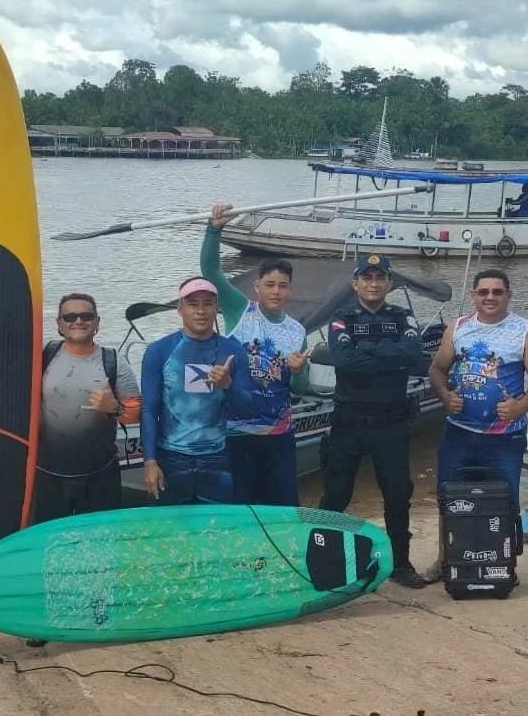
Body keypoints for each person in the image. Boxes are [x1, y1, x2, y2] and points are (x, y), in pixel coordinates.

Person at [317, 255, 427, 589]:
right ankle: (322, 565)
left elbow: (412, 354)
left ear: (389, 283)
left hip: (391, 423)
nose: (374, 283)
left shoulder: (402, 316)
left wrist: (367, 348)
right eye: (367, 277)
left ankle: (402, 564)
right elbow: (343, 359)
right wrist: (386, 354)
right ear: (355, 284)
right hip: (349, 421)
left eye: (380, 278)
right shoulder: (341, 317)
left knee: (397, 494)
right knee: (336, 495)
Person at [201, 205, 309, 506]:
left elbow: (300, 389)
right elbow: (210, 271)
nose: (276, 291)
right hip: (237, 434)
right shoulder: (240, 311)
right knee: (242, 507)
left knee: (284, 508)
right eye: (269, 285)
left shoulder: (297, 331)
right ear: (256, 286)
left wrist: (299, 371)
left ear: (290, 290)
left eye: (282, 286)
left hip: (279, 435)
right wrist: (214, 229)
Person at [141, 277, 253, 504]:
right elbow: (149, 410)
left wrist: (227, 385)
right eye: (193, 304)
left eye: (208, 303)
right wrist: (150, 460)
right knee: (171, 530)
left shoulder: (233, 351)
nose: (201, 311)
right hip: (172, 457)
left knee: (216, 528)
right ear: (180, 308)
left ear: (216, 308)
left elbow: (247, 410)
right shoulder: (159, 351)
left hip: (217, 456)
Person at [32, 293, 141, 523]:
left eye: (86, 316)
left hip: (99, 475)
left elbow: (134, 415)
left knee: (99, 544)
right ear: (60, 324)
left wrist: (114, 409)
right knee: (50, 544)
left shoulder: (114, 362)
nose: (78, 321)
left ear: (97, 322)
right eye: (70, 316)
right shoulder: (43, 356)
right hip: (47, 476)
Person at [429, 268, 528, 520]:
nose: (490, 297)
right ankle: (446, 556)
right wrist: (444, 396)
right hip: (457, 434)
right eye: (483, 291)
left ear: (509, 295)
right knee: (448, 501)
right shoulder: (458, 327)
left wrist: (520, 407)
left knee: (504, 505)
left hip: (505, 437)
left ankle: (503, 557)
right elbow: (437, 369)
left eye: (498, 292)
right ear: (474, 295)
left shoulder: (523, 330)